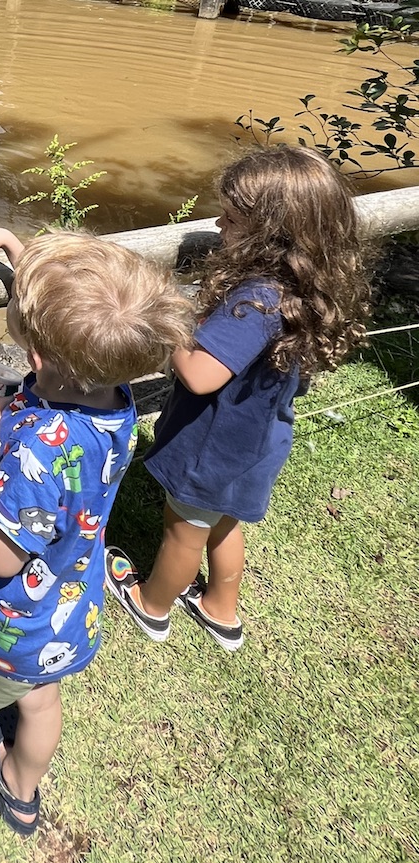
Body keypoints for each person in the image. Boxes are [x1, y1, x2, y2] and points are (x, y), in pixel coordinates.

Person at [0, 229, 195, 839]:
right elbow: (82, 322)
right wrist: (14, 249)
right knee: (41, 701)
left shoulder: (42, 452)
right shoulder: (114, 393)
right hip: (67, 609)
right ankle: (22, 791)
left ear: (39, 356)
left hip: (8, 622)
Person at [104, 145, 370, 652]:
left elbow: (201, 375)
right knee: (222, 522)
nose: (218, 223)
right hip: (257, 441)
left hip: (213, 445)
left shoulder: (259, 298)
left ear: (273, 234)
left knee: (183, 529)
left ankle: (153, 605)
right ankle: (220, 610)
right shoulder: (302, 289)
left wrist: (167, 318)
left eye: (231, 216)